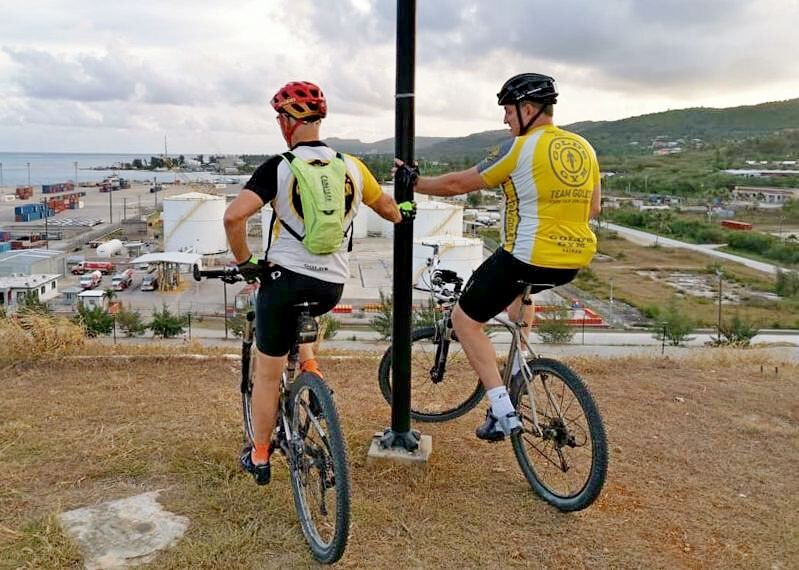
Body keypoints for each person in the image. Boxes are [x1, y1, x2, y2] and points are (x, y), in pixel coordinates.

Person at [394, 73, 601, 441]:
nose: (505, 119)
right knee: (521, 297)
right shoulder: (585, 147)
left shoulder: (518, 149)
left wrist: (415, 182)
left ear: (528, 109)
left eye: (508, 111)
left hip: (524, 256)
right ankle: (519, 363)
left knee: (464, 319)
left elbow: (459, 184)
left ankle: (499, 409)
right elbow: (594, 207)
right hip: (573, 259)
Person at [224, 80, 413, 484]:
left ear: (288, 122)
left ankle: (259, 455)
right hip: (331, 287)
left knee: (268, 375)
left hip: (283, 281)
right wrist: (407, 204)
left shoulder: (279, 166)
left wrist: (245, 263)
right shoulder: (352, 166)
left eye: (280, 118)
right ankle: (311, 365)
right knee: (306, 311)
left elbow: (233, 217)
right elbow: (393, 213)